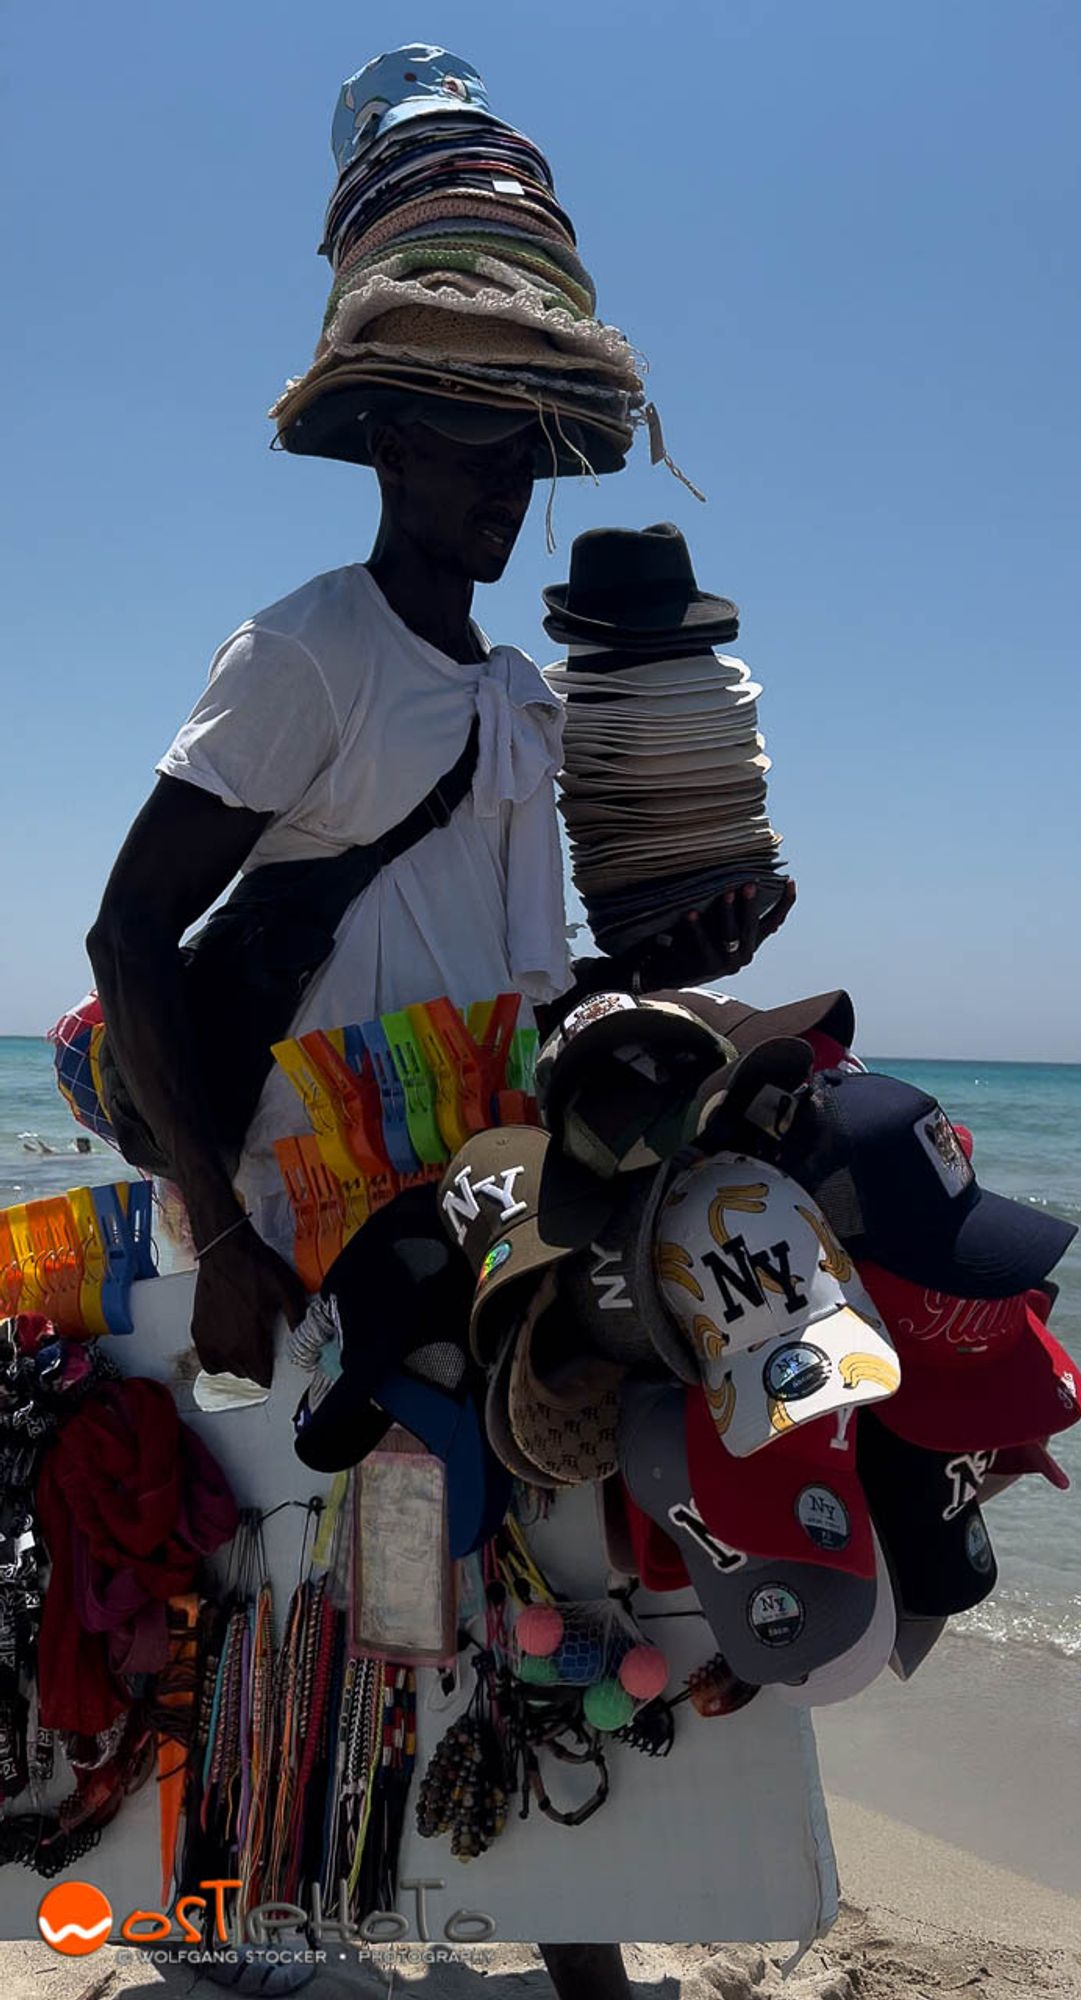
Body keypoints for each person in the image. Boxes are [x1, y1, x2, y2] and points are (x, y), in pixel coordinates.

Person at [86, 407, 794, 1999]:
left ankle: (567, 1923)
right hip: (314, 1193)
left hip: (482, 1174)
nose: (501, 491)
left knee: (510, 1532)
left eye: (520, 464)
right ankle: (243, 1906)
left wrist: (684, 961)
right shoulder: (307, 651)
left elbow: (519, 971)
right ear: (390, 449)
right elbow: (127, 938)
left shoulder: (513, 692)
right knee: (311, 1569)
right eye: (471, 454)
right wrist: (224, 1235)